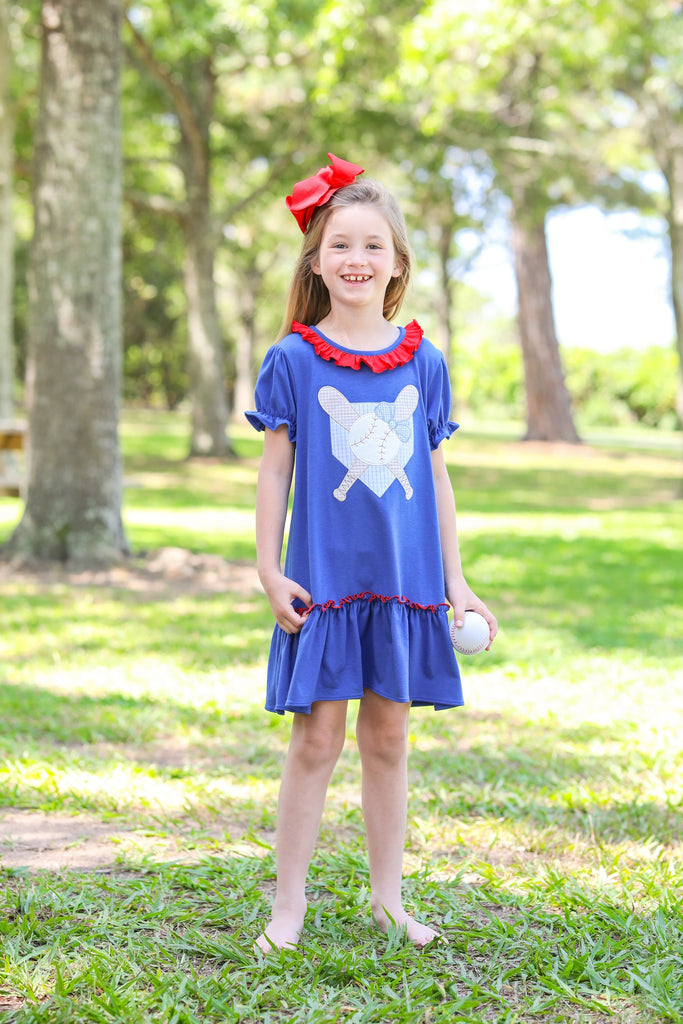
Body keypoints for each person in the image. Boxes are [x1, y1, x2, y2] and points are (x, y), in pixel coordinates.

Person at [246, 153, 497, 953]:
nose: (355, 259)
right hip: (325, 581)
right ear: (315, 262)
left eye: (372, 246)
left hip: (404, 583)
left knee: (387, 739)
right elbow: (275, 470)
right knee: (316, 741)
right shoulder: (293, 360)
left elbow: (435, 475)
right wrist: (268, 568)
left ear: (396, 264)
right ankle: (288, 908)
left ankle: (387, 901)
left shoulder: (424, 361)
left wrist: (455, 580)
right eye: (340, 245)